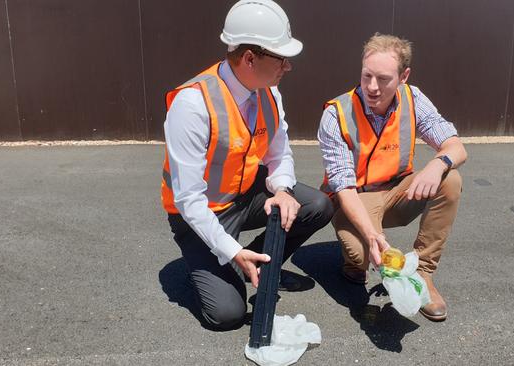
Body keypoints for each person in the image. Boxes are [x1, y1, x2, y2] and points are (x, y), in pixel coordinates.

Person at [161, 0, 333, 330]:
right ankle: (232, 262)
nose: (288, 66)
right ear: (250, 58)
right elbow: (188, 201)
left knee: (316, 205)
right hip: (201, 213)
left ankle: (259, 264)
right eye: (281, 58)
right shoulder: (192, 104)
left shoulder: (269, 92)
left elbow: (279, 154)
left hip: (246, 195)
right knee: (227, 315)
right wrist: (232, 249)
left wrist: (282, 190)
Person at [318, 33, 467, 321]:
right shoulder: (336, 114)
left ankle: (422, 273)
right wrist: (374, 235)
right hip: (354, 198)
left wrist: (437, 165)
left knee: (450, 179)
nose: (372, 87)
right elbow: (343, 186)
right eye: (367, 76)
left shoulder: (413, 99)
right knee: (363, 258)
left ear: (403, 77)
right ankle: (353, 261)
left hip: (397, 190)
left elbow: (456, 146)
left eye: (383, 79)